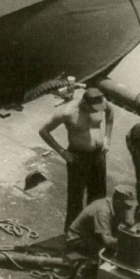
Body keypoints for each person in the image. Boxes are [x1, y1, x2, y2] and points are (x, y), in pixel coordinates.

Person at [39, 86, 114, 231]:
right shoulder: (67, 112)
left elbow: (110, 112)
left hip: (98, 155)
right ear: (85, 104)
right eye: (94, 109)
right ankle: (73, 234)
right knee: (75, 198)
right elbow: (43, 131)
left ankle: (96, 229)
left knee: (98, 195)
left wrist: (107, 138)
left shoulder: (101, 102)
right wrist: (62, 152)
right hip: (78, 157)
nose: (97, 111)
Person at [65, 185, 137, 279]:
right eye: (126, 206)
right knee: (104, 254)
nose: (128, 209)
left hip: (94, 235)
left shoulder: (119, 206)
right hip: (79, 238)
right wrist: (125, 243)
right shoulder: (103, 211)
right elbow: (107, 241)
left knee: (117, 249)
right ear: (117, 200)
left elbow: (130, 224)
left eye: (129, 206)